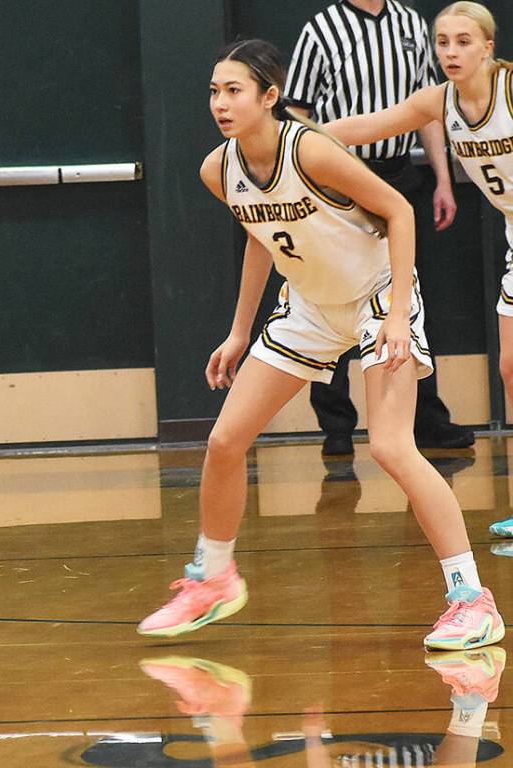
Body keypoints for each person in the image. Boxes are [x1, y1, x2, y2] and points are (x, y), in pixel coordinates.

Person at [136, 39, 504, 651]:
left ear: (270, 96)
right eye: (214, 91)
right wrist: (238, 330)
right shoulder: (216, 168)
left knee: (390, 445)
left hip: (376, 296)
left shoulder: (308, 149)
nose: (220, 104)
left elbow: (398, 212)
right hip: (308, 306)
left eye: (234, 91)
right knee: (225, 441)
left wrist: (397, 314)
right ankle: (214, 578)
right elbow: (262, 236)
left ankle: (472, 599)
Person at [309, 2, 513, 536]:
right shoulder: (437, 99)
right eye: (443, 41)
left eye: (464, 41)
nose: (451, 51)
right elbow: (364, 126)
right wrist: (290, 140)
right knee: (511, 368)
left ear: (488, 47)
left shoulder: (510, 90)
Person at [285, 0, 474, 456]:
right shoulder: (321, 29)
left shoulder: (411, 23)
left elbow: (426, 110)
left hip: (398, 173)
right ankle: (336, 426)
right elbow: (295, 113)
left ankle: (424, 420)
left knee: (406, 294)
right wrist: (309, 173)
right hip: (340, 176)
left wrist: (443, 179)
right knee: (337, 289)